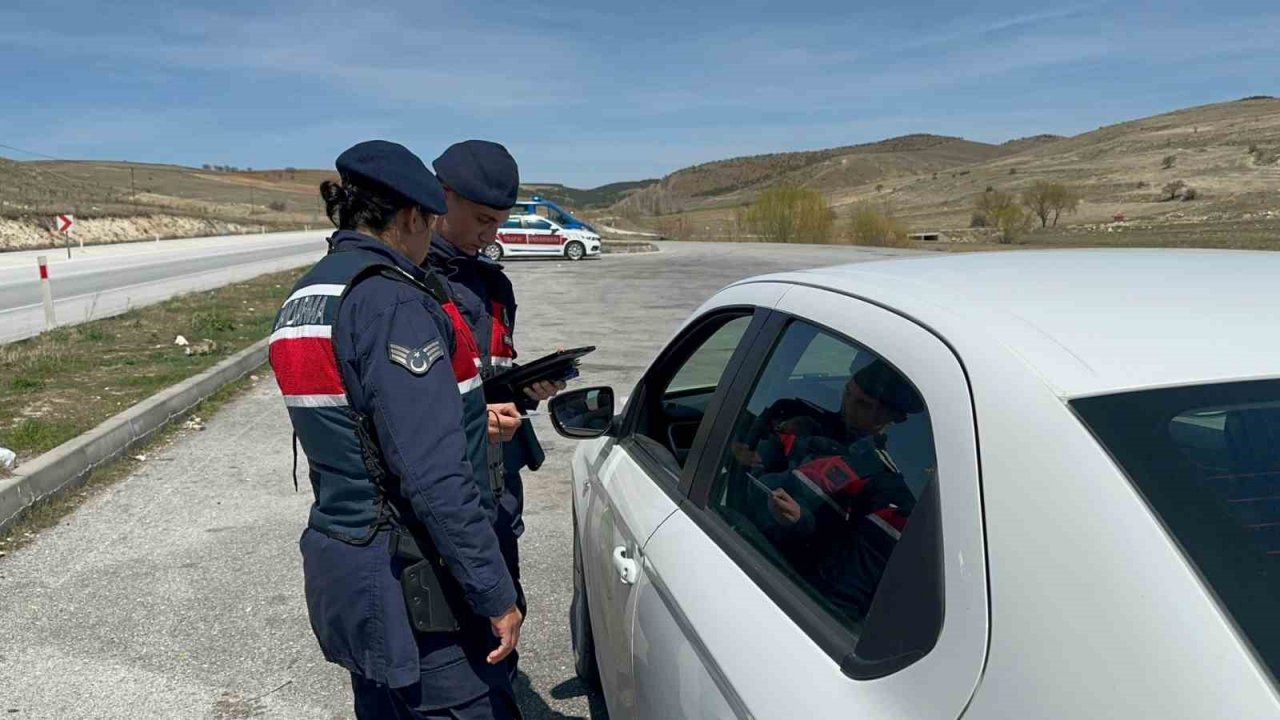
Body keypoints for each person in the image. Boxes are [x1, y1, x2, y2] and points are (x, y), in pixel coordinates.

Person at [268, 140, 523, 719]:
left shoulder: (309, 294)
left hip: (351, 569)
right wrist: (494, 592)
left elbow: (360, 432)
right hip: (417, 584)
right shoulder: (391, 302)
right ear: (412, 216)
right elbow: (433, 476)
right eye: (430, 222)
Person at [427, 140, 562, 625]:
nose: (491, 234)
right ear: (441, 196)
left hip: (499, 484)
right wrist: (469, 419)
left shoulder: (496, 286)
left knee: (505, 611)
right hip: (441, 489)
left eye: (499, 222)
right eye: (482, 219)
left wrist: (525, 392)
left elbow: (492, 377)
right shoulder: (405, 283)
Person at [739, 360, 924, 621]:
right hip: (760, 534)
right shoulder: (807, 423)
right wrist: (755, 454)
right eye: (848, 393)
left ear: (894, 417)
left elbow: (850, 575)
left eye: (863, 405)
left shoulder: (890, 485)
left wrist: (802, 521)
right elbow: (759, 455)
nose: (848, 407)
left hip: (796, 583)